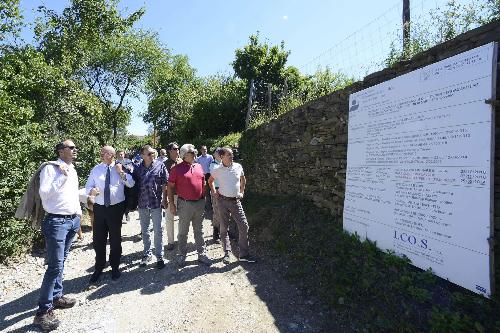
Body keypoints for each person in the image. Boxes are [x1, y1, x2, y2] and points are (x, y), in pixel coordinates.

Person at [33, 140, 81, 331]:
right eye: (71, 147)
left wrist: (78, 217)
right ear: (61, 151)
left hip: (71, 220)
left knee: (62, 262)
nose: (74, 149)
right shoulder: (51, 169)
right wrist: (61, 176)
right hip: (56, 222)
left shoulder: (72, 169)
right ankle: (42, 313)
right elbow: (44, 193)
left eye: (75, 147)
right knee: (54, 266)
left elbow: (72, 195)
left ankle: (56, 297)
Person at [85, 146, 135, 284]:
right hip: (100, 208)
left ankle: (115, 267)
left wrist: (121, 174)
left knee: (115, 239)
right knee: (98, 239)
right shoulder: (96, 169)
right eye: (101, 153)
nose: (102, 155)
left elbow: (131, 183)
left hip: (116, 208)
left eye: (105, 153)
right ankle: (99, 267)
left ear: (112, 155)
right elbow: (88, 186)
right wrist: (92, 192)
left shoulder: (120, 167)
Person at [208, 147, 256, 264]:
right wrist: (214, 192)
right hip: (222, 201)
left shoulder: (238, 166)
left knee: (244, 226)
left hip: (235, 201)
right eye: (229, 154)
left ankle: (244, 254)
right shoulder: (217, 169)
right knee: (224, 227)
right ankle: (227, 252)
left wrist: (242, 192)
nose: (231, 156)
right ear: (221, 157)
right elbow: (210, 181)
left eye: (232, 154)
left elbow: (243, 180)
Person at [168, 144, 211, 267]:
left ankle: (202, 254)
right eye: (191, 152)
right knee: (183, 232)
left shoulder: (198, 166)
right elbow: (170, 187)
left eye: (194, 152)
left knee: (199, 230)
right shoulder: (176, 169)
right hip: (184, 204)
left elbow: (203, 183)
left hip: (199, 203)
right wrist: (171, 203)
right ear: (184, 155)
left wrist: (203, 197)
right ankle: (181, 255)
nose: (194, 154)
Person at [133, 145, 169, 269]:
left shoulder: (160, 165)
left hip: (156, 203)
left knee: (158, 230)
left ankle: (159, 256)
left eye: (153, 153)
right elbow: (132, 184)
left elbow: (165, 182)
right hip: (142, 203)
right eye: (149, 154)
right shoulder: (137, 168)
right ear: (142, 155)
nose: (152, 155)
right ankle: (147, 254)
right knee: (145, 231)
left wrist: (165, 199)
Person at [164, 142, 182, 250]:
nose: (177, 150)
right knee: (169, 219)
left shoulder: (182, 162)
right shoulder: (165, 164)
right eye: (175, 149)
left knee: (183, 219)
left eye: (178, 148)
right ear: (170, 151)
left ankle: (181, 239)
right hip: (171, 195)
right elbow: (164, 183)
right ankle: (171, 241)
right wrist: (165, 198)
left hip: (183, 195)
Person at [209, 148, 222, 242]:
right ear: (214, 155)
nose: (219, 154)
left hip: (225, 190)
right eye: (218, 152)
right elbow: (216, 175)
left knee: (226, 212)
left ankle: (225, 231)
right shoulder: (213, 165)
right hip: (216, 190)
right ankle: (216, 233)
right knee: (217, 212)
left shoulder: (225, 164)